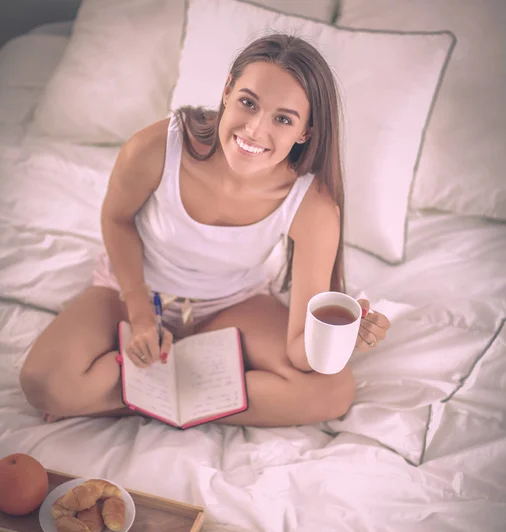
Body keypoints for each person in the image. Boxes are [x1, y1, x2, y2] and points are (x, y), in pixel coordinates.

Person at [20, 34, 390, 426]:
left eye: (283, 119)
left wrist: (339, 340)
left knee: (332, 391)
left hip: (232, 305)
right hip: (129, 292)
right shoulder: (157, 146)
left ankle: (143, 395)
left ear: (306, 132)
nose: (254, 130)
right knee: (43, 382)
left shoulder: (313, 205)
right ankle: (196, 389)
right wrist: (141, 314)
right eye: (248, 103)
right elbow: (117, 220)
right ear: (227, 91)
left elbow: (301, 352)